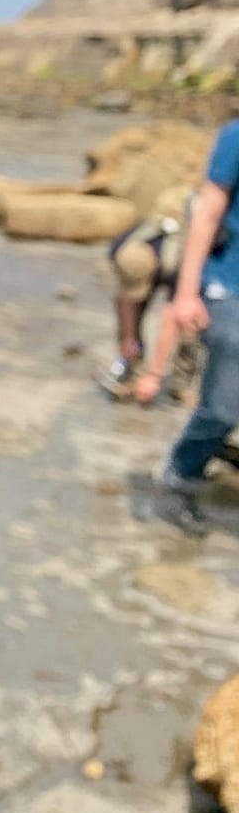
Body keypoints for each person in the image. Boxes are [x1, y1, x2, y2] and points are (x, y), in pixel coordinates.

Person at [159, 117, 239, 532]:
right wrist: (186, 293)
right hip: (229, 283)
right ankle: (180, 476)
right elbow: (207, 212)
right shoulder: (235, 136)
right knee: (226, 398)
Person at [96, 185, 197, 402]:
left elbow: (172, 318)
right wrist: (128, 339)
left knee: (190, 326)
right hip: (149, 255)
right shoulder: (123, 247)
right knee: (131, 323)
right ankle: (131, 371)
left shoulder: (179, 262)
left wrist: (154, 376)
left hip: (181, 263)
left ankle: (182, 383)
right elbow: (124, 297)